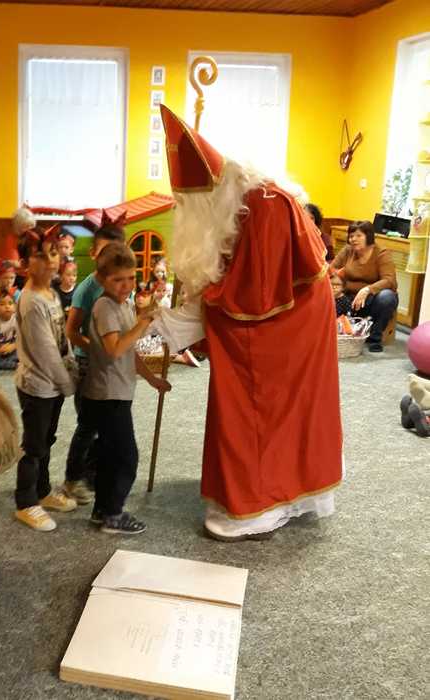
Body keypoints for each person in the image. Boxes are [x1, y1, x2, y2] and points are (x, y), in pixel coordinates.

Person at [157, 105, 343, 542]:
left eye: (194, 202)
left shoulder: (265, 205)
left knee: (259, 403)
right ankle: (271, 493)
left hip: (287, 327)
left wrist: (190, 316)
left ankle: (263, 501)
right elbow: (241, 278)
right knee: (266, 407)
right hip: (283, 317)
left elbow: (253, 299)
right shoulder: (240, 203)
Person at [82, 242, 171, 534]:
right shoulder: (105, 307)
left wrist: (152, 379)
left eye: (131, 278)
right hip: (107, 395)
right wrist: (142, 324)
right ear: (101, 279)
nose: (126, 285)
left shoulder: (124, 305)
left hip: (118, 392)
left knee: (110, 455)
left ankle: (102, 509)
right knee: (126, 457)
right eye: (118, 279)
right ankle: (114, 514)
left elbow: (129, 353)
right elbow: (115, 349)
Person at [63, 218, 126, 505]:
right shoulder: (87, 289)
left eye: (116, 251)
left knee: (108, 426)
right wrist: (98, 349)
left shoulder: (119, 285)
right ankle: (73, 478)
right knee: (88, 425)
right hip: (89, 365)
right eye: (104, 252)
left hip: (111, 365)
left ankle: (93, 475)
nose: (110, 258)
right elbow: (71, 332)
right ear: (93, 254)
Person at [14, 251, 77, 531]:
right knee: (33, 445)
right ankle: (25, 501)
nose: (51, 261)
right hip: (37, 385)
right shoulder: (31, 300)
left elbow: (61, 338)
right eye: (41, 255)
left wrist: (70, 367)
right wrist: (67, 382)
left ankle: (42, 490)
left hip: (54, 385)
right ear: (26, 264)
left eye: (53, 253)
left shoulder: (50, 293)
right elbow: (45, 351)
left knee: (47, 439)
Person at [331, 220, 398, 353]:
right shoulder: (348, 250)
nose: (353, 239)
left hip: (372, 299)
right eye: (351, 236)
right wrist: (337, 283)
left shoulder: (381, 253)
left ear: (369, 236)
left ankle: (375, 338)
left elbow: (390, 280)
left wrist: (367, 289)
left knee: (387, 297)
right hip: (348, 297)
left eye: (358, 235)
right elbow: (331, 269)